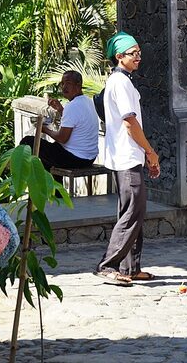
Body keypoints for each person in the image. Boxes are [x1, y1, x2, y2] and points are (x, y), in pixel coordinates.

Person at [95, 31, 160, 286]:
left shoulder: (121, 81)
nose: (138, 58)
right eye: (134, 54)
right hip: (126, 155)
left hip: (126, 155)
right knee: (133, 211)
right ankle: (107, 265)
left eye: (139, 53)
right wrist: (150, 152)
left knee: (132, 210)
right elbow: (130, 122)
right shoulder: (120, 82)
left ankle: (131, 267)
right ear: (119, 56)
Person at [20, 70, 99, 171]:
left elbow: (62, 138)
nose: (64, 87)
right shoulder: (88, 101)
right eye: (62, 83)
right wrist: (61, 110)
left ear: (78, 85)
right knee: (50, 155)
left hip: (75, 158)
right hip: (89, 158)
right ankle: (55, 185)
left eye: (68, 83)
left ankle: (41, 182)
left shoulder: (73, 106)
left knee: (27, 142)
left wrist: (44, 129)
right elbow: (75, 121)